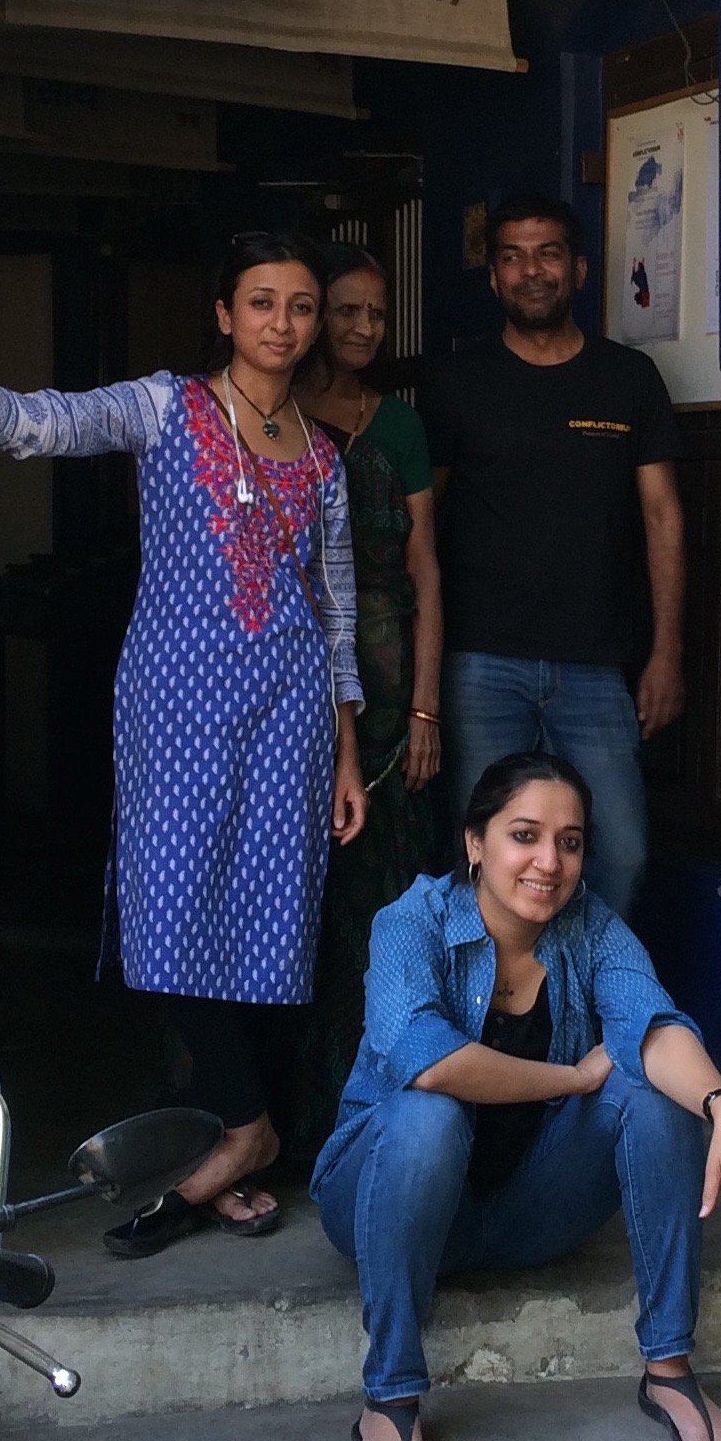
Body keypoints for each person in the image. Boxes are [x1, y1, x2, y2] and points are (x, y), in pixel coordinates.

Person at [0, 233, 369, 1254]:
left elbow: (336, 605)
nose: (283, 324)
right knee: (166, 912)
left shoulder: (320, 453)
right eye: (262, 302)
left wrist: (348, 749)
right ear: (224, 312)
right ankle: (247, 1127)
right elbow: (36, 424)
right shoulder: (167, 405)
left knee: (269, 911)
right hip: (174, 702)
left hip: (292, 708)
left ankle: (227, 1144)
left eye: (302, 306)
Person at [312, 749, 721, 1441]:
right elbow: (427, 1060)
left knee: (655, 1089)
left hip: (527, 1212)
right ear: (475, 842)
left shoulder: (589, 927)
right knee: (430, 1114)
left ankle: (668, 1369)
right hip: (386, 1199)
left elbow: (651, 1023)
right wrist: (570, 1078)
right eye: (524, 835)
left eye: (569, 841)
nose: (548, 862)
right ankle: (390, 1396)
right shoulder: (412, 922)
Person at [421, 192, 685, 916]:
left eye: (545, 254)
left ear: (576, 269)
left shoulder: (627, 379)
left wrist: (667, 653)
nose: (529, 270)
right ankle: (495, 1019)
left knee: (620, 857)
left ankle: (586, 1019)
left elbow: (663, 518)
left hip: (599, 667)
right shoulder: (454, 383)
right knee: (485, 863)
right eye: (511, 256)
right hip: (481, 663)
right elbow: (418, 529)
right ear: (494, 277)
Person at [287, 243, 444, 1160]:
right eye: (341, 310)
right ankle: (290, 1120)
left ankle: (380, 1108)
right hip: (293, 671)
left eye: (374, 315)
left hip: (388, 688)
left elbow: (426, 570)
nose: (359, 329)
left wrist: (425, 707)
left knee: (385, 899)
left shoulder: (401, 427)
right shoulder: (270, 420)